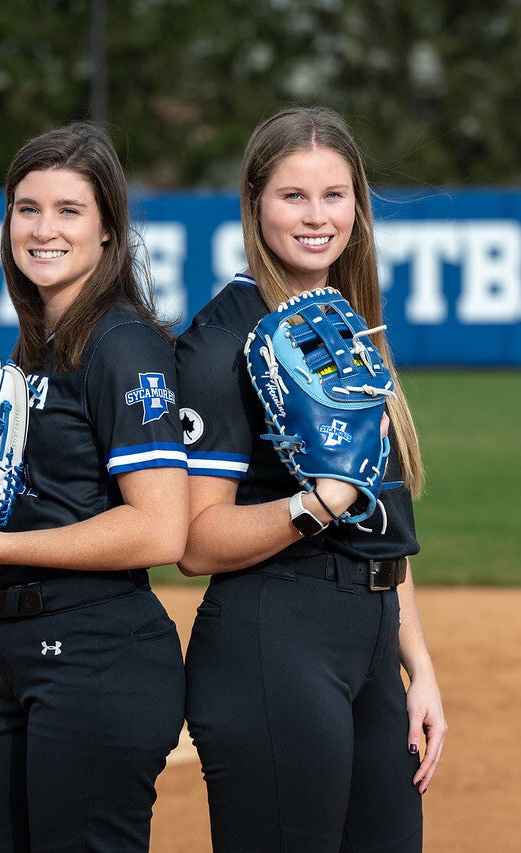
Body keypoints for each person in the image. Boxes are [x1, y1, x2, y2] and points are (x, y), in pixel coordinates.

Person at [175, 106, 447, 852]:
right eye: (292, 195)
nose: (316, 216)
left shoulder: (344, 327)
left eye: (334, 195)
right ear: (254, 201)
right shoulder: (220, 342)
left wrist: (415, 665)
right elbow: (195, 542)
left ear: (357, 208)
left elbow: (381, 523)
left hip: (368, 647)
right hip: (273, 640)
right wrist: (317, 502)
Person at [0, 122, 187, 852]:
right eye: (27, 207)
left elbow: (159, 529)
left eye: (69, 210)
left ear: (109, 229)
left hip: (98, 663)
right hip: (30, 658)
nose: (43, 229)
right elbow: (49, 505)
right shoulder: (37, 349)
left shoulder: (123, 344)